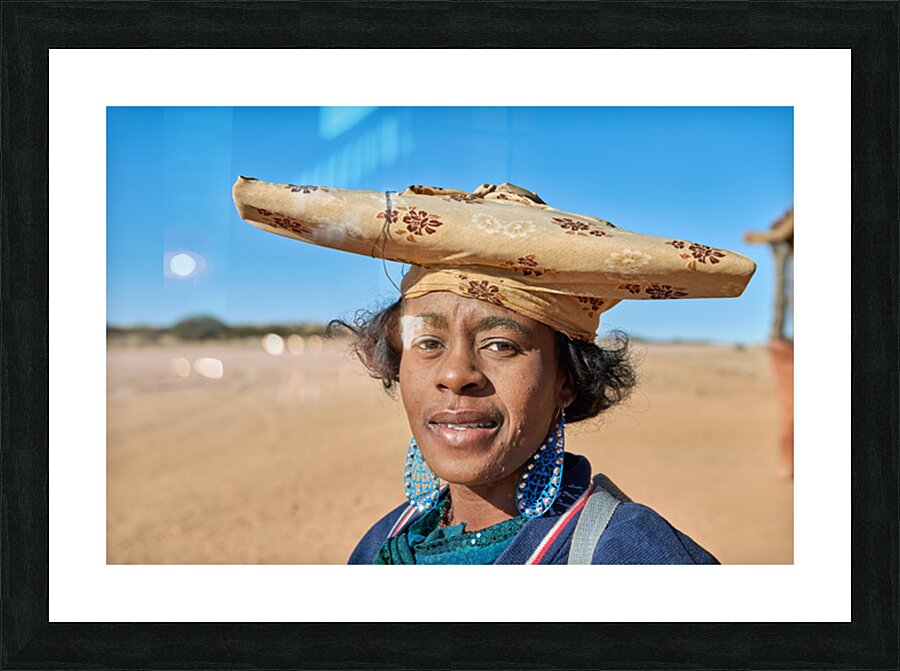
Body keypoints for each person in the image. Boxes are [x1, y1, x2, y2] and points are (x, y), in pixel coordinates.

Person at [232, 178, 756, 565]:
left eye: (502, 344)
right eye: (428, 342)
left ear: (566, 381)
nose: (456, 374)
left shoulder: (632, 558)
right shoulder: (382, 546)